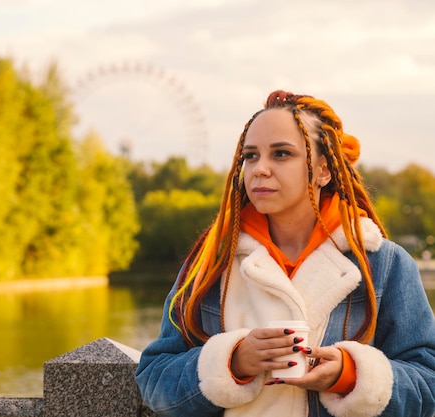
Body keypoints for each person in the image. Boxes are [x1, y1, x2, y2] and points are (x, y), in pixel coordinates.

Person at [135, 90, 435, 417]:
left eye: (280, 154)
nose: (259, 169)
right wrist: (232, 362)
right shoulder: (212, 262)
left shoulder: (385, 264)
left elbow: (429, 384)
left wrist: (349, 375)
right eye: (250, 155)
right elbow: (154, 378)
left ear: (324, 170)